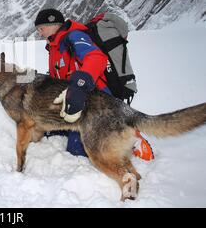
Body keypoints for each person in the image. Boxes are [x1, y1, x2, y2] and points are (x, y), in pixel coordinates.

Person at [34, 8, 152, 159]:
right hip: (74, 102)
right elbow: (59, 73)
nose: (40, 33)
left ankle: (131, 137)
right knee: (50, 132)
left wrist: (80, 84)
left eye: (41, 28)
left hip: (96, 100)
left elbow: (96, 58)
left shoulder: (74, 37)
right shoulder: (54, 46)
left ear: (53, 24)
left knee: (78, 151)